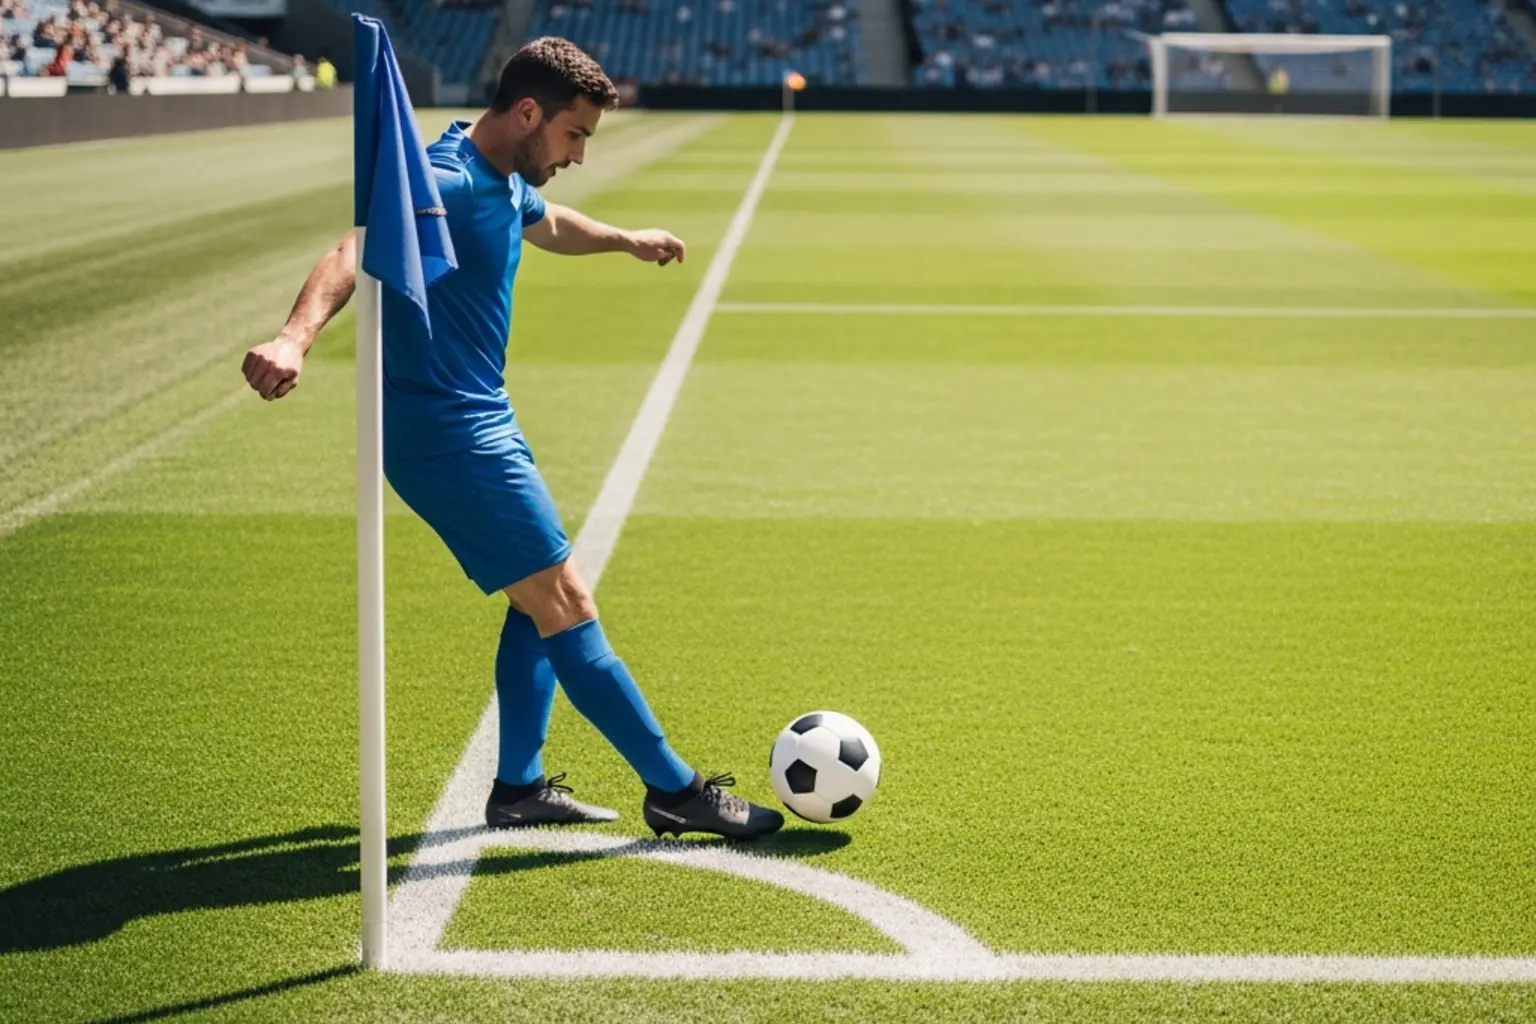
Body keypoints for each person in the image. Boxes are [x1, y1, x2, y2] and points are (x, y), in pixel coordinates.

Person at [239, 38, 783, 841]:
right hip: (446, 433)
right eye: (575, 135)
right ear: (528, 112)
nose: (579, 155)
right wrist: (294, 337)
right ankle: (676, 788)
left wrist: (624, 238)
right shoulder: (449, 180)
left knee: (540, 604)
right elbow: (354, 248)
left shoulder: (495, 173)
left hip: (484, 417)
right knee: (566, 601)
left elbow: (547, 220)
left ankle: (520, 788)